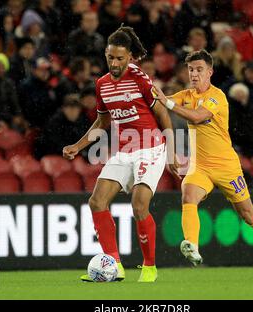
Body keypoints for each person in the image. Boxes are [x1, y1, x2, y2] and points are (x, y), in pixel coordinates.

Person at [153, 49, 253, 278]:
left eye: (199, 70)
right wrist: (148, 96)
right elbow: (160, 104)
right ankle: (192, 246)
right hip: (201, 167)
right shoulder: (186, 94)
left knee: (248, 215)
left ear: (210, 72)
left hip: (226, 166)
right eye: (191, 70)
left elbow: (196, 116)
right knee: (188, 194)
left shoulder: (218, 96)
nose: (194, 74)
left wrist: (166, 102)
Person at [63, 26, 178, 282]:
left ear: (130, 57)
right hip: (124, 150)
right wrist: (78, 146)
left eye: (120, 58)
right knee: (96, 201)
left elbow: (163, 115)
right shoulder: (102, 84)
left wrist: (171, 154)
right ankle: (114, 265)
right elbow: (101, 123)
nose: (114, 63)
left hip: (150, 147)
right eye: (110, 57)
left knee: (139, 205)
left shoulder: (140, 78)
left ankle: (149, 267)